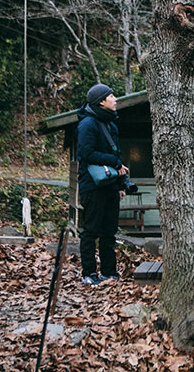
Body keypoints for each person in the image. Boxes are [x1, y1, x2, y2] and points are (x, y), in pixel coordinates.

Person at [77, 83, 132, 285]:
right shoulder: (87, 124)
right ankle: (89, 274)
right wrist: (114, 163)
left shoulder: (111, 124)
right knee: (91, 230)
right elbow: (85, 153)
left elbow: (114, 154)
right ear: (101, 101)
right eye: (112, 96)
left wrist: (119, 185)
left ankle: (109, 272)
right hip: (92, 185)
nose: (116, 99)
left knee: (109, 231)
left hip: (110, 186)